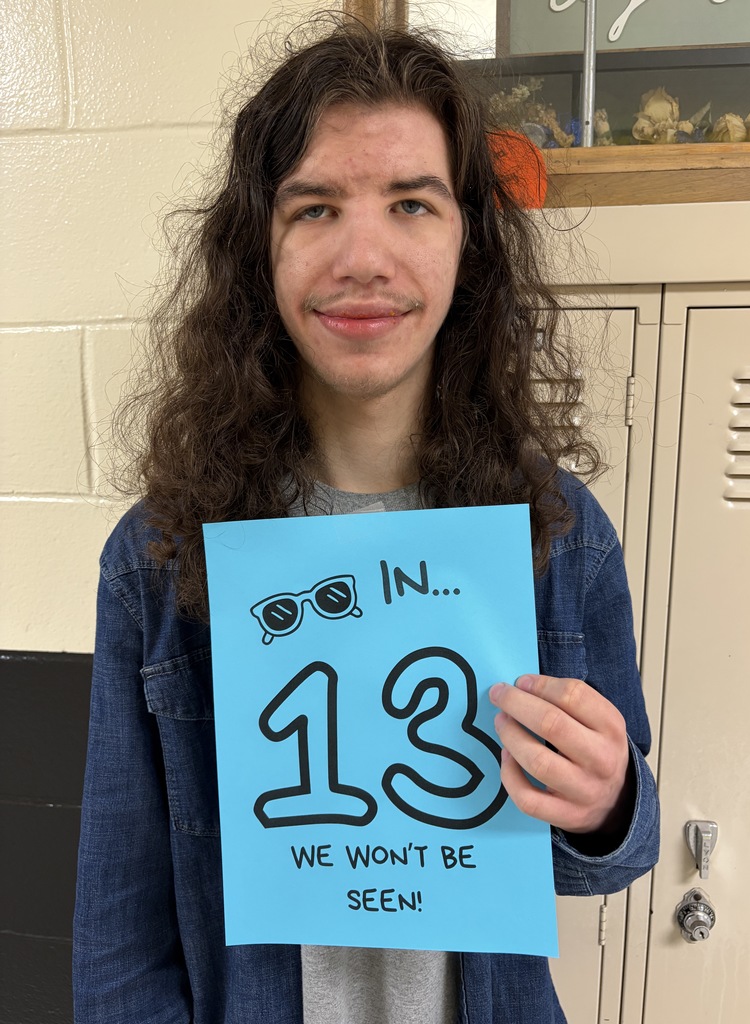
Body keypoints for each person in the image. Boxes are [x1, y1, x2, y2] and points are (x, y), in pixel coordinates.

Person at [73, 15, 659, 1024]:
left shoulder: (561, 538)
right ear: (260, 247)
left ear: (467, 241)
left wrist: (608, 804)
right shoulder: (157, 560)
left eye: (411, 204)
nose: (363, 255)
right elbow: (120, 939)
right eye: (313, 208)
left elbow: (606, 861)